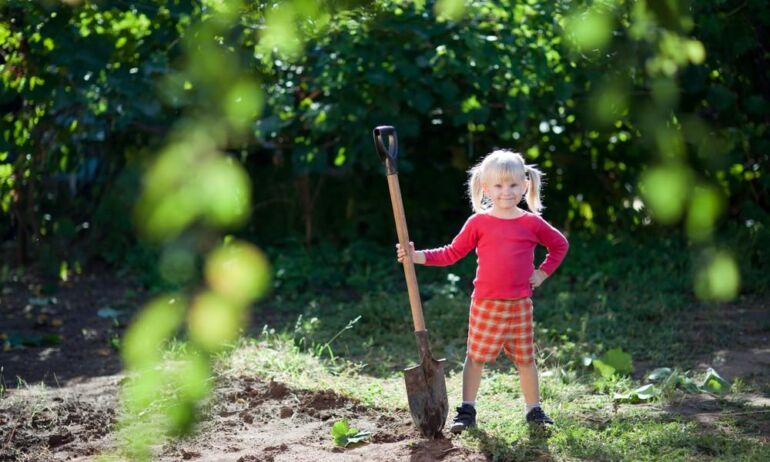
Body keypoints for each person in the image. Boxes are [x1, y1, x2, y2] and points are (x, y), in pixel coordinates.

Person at [396, 149, 568, 433]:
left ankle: (534, 410)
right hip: (486, 304)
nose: (506, 192)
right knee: (475, 358)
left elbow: (559, 244)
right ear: (485, 188)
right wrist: (416, 257)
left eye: (513, 184)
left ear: (525, 184)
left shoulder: (531, 223)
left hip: (520, 305)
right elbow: (451, 253)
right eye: (498, 186)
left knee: (526, 360)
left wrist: (542, 272)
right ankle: (467, 410)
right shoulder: (478, 223)